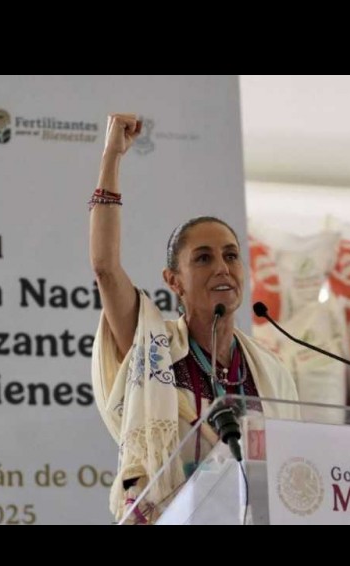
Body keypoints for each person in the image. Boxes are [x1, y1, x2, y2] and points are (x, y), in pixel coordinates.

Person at [90, 113, 298, 524]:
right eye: (203, 258)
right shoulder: (152, 345)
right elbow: (105, 269)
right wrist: (112, 157)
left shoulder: (269, 370)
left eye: (231, 256)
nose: (221, 267)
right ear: (174, 281)